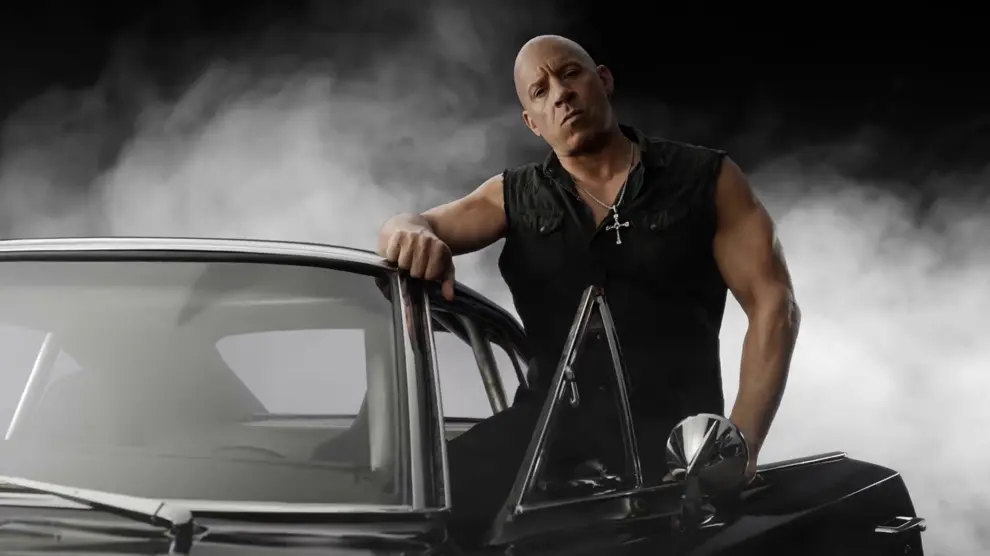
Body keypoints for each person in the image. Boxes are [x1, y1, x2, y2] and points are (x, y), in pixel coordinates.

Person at [376, 34, 801, 537]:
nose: (560, 93)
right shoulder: (511, 196)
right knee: (417, 511)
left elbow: (774, 304)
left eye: (569, 74)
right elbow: (417, 224)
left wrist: (740, 444)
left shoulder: (706, 178)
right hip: (541, 442)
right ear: (532, 122)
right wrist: (407, 231)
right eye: (540, 91)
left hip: (673, 454)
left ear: (603, 80)